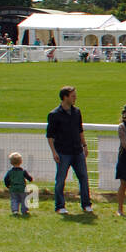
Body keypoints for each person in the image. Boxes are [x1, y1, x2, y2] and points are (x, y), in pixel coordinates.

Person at [46, 85, 92, 214]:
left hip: (77, 151)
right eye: (73, 96)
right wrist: (54, 152)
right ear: (65, 97)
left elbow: (80, 130)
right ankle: (60, 206)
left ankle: (86, 204)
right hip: (63, 152)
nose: (75, 98)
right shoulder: (54, 114)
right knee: (60, 180)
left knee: (83, 178)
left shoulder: (77, 112)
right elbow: (50, 136)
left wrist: (84, 145)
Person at [5, 151, 32, 216]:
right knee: (24, 199)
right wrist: (30, 179)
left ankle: (15, 211)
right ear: (21, 162)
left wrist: (8, 185)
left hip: (13, 188)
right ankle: (24, 211)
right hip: (22, 188)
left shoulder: (9, 172)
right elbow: (29, 178)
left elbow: (6, 179)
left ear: (11, 162)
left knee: (14, 199)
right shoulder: (23, 171)